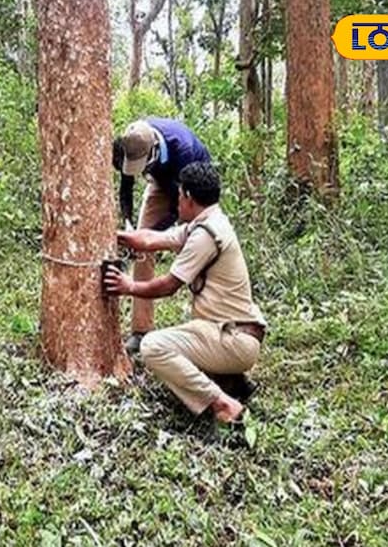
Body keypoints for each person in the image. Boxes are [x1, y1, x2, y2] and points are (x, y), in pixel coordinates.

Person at [104, 162, 266, 423]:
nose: (176, 202)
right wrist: (115, 235)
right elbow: (150, 240)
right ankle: (230, 380)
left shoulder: (207, 234)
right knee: (185, 337)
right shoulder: (207, 221)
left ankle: (223, 405)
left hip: (235, 338)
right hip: (232, 333)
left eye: (179, 196)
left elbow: (169, 285)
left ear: (189, 197)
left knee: (153, 346)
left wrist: (129, 286)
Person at [113, 118, 211, 354]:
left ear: (154, 151)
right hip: (161, 184)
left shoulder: (183, 150)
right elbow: (126, 188)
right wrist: (129, 225)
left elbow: (178, 211)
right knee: (142, 254)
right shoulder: (132, 142)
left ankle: (209, 331)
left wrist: (149, 238)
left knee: (200, 254)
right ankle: (141, 330)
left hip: (193, 189)